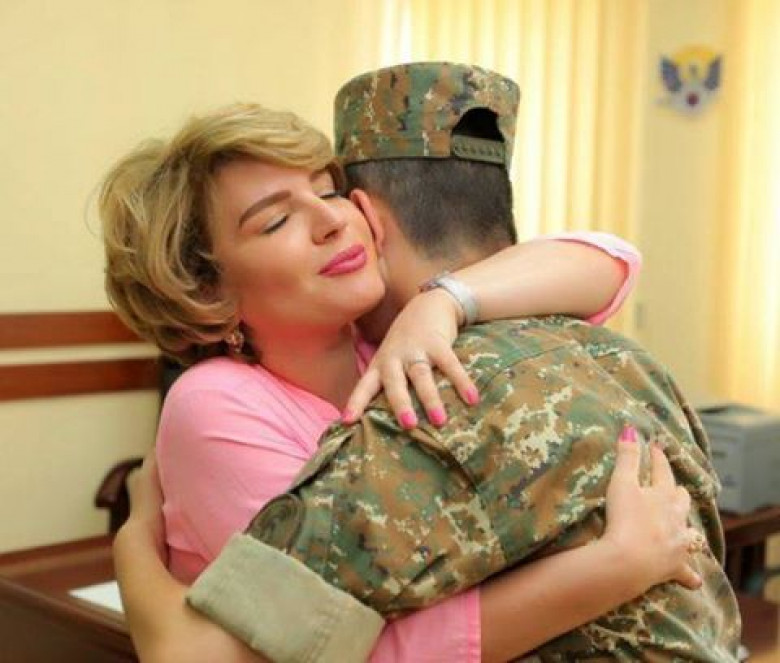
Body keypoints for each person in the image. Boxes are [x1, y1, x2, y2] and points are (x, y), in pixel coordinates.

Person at [104, 68, 690, 663]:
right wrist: (614, 569)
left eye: (326, 192)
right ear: (207, 292)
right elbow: (342, 649)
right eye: (276, 220)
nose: (332, 221)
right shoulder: (215, 403)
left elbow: (610, 263)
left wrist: (444, 300)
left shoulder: (392, 345)